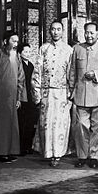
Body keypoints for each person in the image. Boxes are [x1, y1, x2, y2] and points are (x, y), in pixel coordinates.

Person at [69, 22, 98, 169]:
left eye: (91, 33)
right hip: (81, 94)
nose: (89, 35)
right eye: (86, 32)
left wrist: (96, 74)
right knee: (81, 125)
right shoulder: (77, 49)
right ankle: (82, 156)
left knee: (97, 128)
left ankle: (94, 156)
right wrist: (70, 90)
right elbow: (72, 71)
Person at [32, 20, 72, 167]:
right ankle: (48, 153)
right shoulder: (44, 49)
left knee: (60, 124)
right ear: (49, 31)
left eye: (58, 29)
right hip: (46, 93)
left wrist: (70, 96)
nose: (55, 32)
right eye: (53, 29)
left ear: (62, 32)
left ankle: (58, 154)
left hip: (62, 93)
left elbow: (71, 74)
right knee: (46, 123)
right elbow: (37, 73)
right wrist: (37, 95)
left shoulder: (69, 50)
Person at [0, 31, 26, 163]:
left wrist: (19, 97)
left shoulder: (17, 56)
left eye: (17, 41)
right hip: (0, 96)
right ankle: (1, 153)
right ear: (5, 41)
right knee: (1, 125)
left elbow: (21, 78)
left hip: (13, 96)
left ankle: (10, 151)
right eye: (13, 41)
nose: (15, 44)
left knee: (12, 125)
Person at [17, 43, 38, 155]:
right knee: (22, 122)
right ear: (20, 53)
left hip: (30, 96)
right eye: (25, 52)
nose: (28, 54)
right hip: (22, 96)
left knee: (30, 122)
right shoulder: (18, 64)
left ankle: (28, 146)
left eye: (29, 52)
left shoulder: (30, 65)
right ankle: (21, 147)